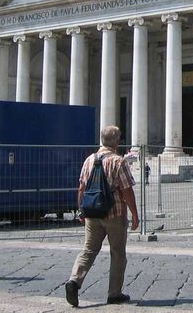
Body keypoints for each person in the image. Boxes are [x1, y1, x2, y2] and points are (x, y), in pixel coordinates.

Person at [65, 126, 139, 307]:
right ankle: (114, 293)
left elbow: (82, 187)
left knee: (88, 250)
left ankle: (74, 281)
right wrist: (135, 215)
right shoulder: (118, 161)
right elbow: (127, 190)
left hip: (92, 213)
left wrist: (81, 209)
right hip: (114, 213)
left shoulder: (89, 160)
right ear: (116, 141)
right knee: (117, 253)